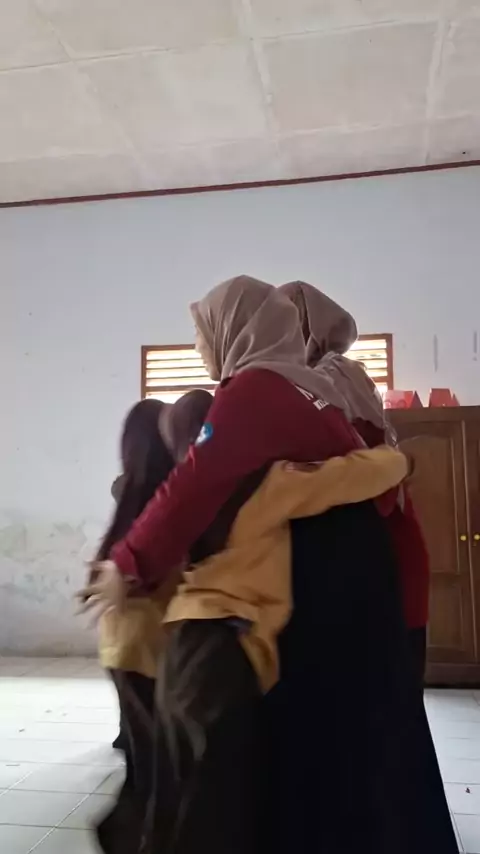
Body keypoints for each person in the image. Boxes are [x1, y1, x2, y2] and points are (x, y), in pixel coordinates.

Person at [83, 276, 456, 853]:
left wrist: (126, 563)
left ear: (232, 329)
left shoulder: (256, 388)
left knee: (316, 741)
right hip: (356, 570)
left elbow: (196, 481)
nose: (200, 348)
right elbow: (373, 477)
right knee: (360, 739)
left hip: (323, 581)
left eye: (201, 333)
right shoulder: (313, 387)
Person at [279, 280, 430, 688]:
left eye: (283, 321)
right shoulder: (312, 377)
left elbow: (353, 464)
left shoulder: (332, 376)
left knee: (389, 685)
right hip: (367, 538)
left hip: (380, 537)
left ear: (306, 327)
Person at [89, 395, 211, 854]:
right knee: (163, 767)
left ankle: (131, 832)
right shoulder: (174, 499)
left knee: (146, 760)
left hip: (120, 645)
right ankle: (135, 836)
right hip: (156, 647)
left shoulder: (129, 490)